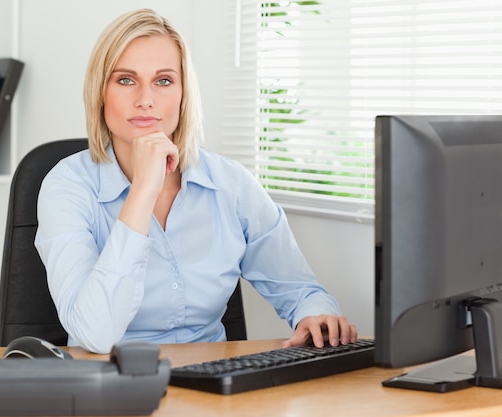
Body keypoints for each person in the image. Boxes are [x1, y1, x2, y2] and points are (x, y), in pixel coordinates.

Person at [35, 8, 357, 354]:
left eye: (164, 81)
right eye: (125, 80)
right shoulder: (67, 186)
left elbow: (301, 290)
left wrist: (316, 315)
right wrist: (143, 190)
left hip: (212, 385)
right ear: (101, 93)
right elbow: (95, 334)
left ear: (184, 95)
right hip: (109, 386)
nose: (146, 99)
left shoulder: (230, 184)